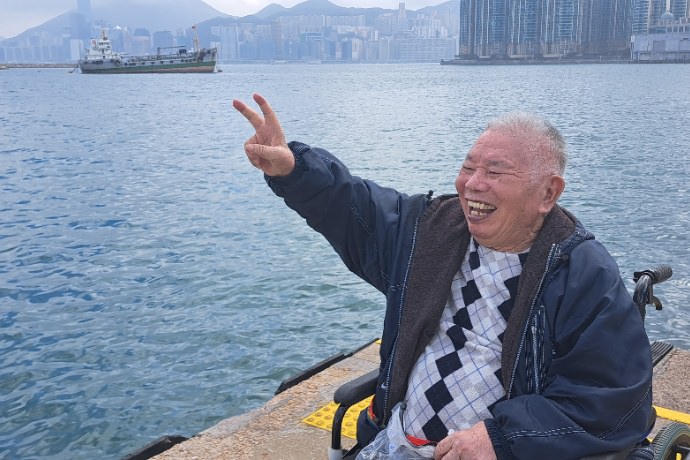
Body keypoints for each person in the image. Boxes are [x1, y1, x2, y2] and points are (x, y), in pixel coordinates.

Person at [232, 93, 654, 460]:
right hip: (395, 442)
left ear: (547, 193)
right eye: (468, 167)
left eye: (494, 172)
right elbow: (354, 208)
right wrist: (293, 170)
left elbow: (613, 398)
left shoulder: (581, 271)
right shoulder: (431, 231)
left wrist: (502, 439)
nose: (472, 184)